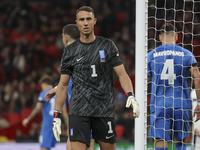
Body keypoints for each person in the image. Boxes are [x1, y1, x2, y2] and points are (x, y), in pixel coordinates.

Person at [52, 6, 140, 150]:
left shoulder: (107, 46)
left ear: (95, 21)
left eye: (88, 19)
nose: (85, 23)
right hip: (78, 111)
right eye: (81, 20)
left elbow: (122, 74)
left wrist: (130, 94)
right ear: (77, 23)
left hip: (103, 110)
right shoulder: (70, 52)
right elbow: (62, 85)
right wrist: (57, 115)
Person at [147, 23, 200, 150]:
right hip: (181, 105)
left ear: (160, 37)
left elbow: (146, 80)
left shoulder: (151, 55)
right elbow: (197, 77)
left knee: (160, 140)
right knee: (180, 142)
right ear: (176, 36)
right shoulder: (187, 54)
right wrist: (199, 102)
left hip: (159, 104)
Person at [45, 24, 95, 150]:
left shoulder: (70, 54)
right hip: (90, 108)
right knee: (71, 146)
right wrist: (57, 88)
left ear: (65, 38)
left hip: (81, 109)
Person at [22, 75, 57, 150]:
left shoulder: (44, 93)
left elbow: (37, 109)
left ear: (44, 84)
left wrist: (28, 119)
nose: (42, 88)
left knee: (44, 148)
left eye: (41, 86)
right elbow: (64, 113)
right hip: (57, 126)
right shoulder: (58, 94)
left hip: (47, 125)